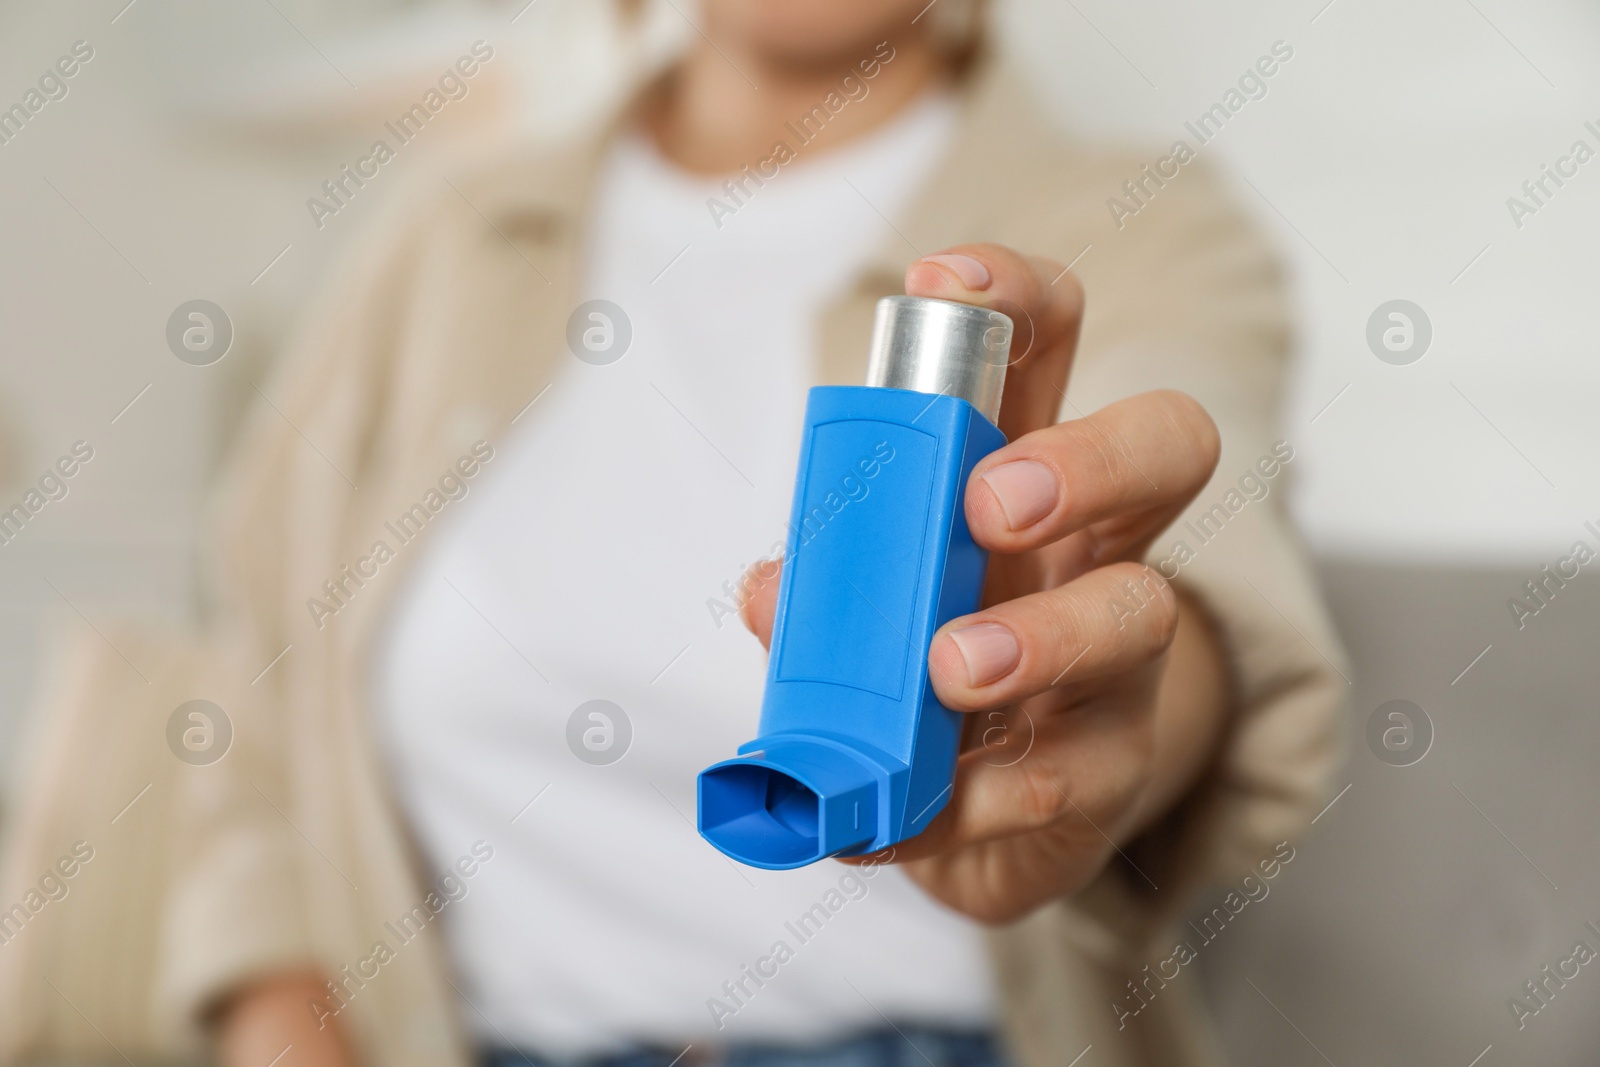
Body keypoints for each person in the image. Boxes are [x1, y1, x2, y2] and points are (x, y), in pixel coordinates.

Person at [0, 2, 1347, 1066]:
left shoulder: (1142, 223)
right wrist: (280, 1026)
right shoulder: (440, 238)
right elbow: (259, 703)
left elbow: (1206, 556)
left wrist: (1124, 716)